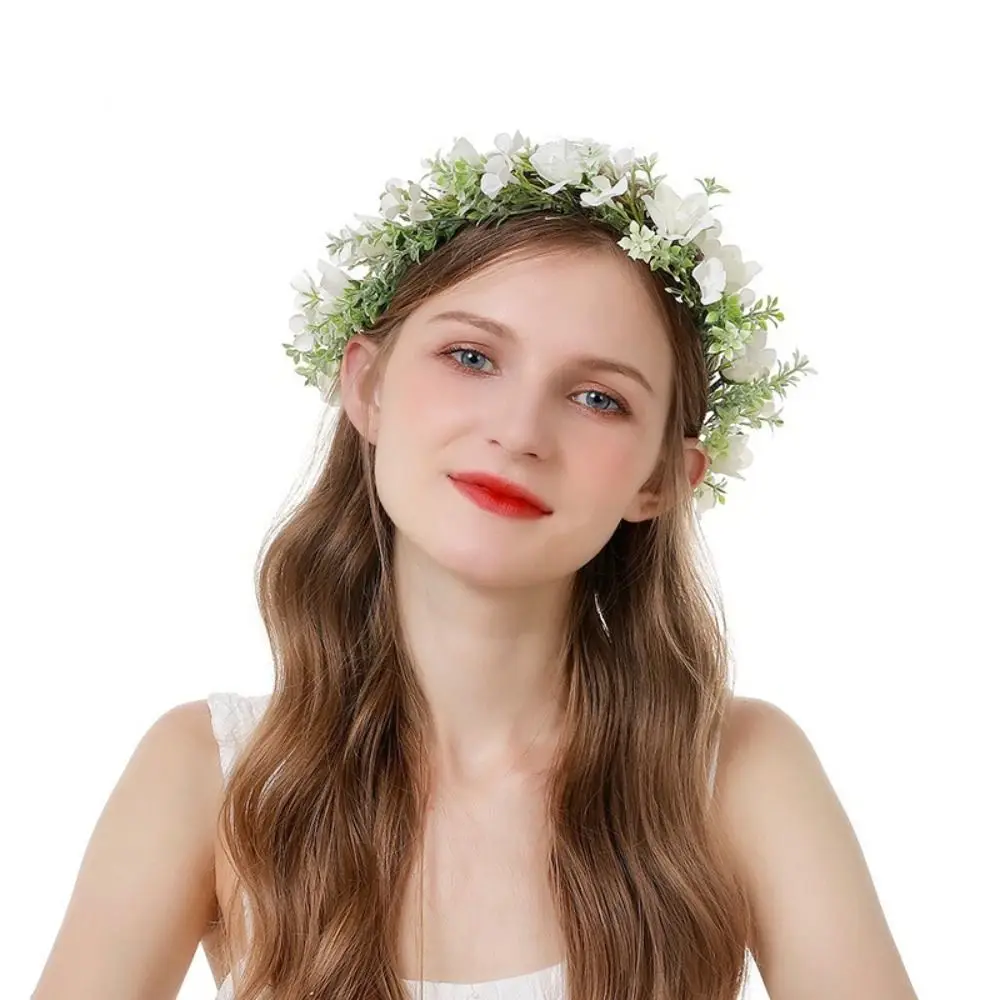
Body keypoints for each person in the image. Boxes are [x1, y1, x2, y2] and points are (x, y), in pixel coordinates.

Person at [32, 134, 918, 1000]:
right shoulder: (211, 774)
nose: (520, 432)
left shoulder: (741, 773)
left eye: (597, 398)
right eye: (471, 357)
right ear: (368, 386)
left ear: (661, 481)